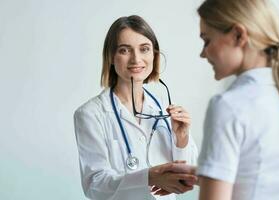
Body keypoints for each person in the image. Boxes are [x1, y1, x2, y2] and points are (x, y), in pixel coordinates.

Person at [73, 15, 198, 200]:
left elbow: (190, 174)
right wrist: (149, 177)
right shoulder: (90, 114)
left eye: (144, 49)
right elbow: (95, 186)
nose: (136, 59)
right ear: (111, 57)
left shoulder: (164, 109)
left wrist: (182, 139)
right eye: (125, 50)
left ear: (154, 55)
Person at [196, 0, 279, 199]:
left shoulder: (228, 105)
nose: (203, 53)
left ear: (239, 35)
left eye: (207, 41)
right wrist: (208, 174)